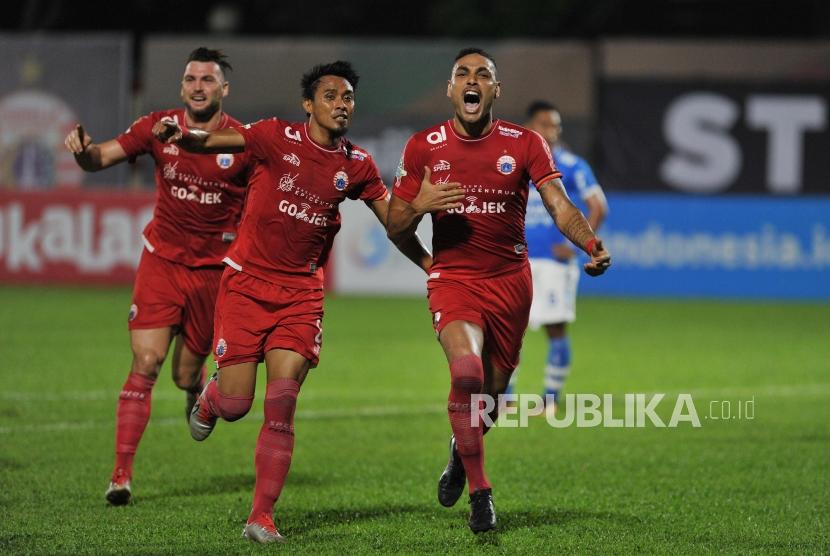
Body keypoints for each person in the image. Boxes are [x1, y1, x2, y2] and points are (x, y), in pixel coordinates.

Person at [152, 60, 432, 544]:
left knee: (282, 404)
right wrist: (180, 135)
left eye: (347, 98)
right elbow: (214, 142)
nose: (341, 105)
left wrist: (427, 253)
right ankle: (212, 397)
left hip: (301, 294)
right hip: (246, 285)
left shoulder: (357, 165)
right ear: (309, 104)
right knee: (239, 403)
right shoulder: (273, 137)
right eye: (330, 96)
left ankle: (261, 516)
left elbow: (394, 225)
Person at [386, 48, 611, 533]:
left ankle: (457, 454)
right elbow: (396, 226)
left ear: (495, 90)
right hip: (456, 281)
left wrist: (590, 243)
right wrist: (421, 210)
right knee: (466, 373)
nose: (472, 80)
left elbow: (560, 205)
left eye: (482, 74)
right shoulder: (424, 146)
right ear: (451, 90)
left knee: (489, 395)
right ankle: (481, 493)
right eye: (462, 74)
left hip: (511, 283)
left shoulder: (526, 143)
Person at [64, 47, 252, 506]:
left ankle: (194, 386)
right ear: (181, 86)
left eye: (208, 80)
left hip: (212, 274)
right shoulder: (157, 127)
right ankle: (121, 475)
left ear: (224, 89)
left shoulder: (244, 142)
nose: (198, 87)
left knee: (185, 374)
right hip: (162, 264)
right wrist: (84, 154)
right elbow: (100, 158)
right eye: (191, 79)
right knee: (145, 363)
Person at [506, 100, 609, 415]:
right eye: (544, 124)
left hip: (553, 263)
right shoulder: (514, 164)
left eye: (556, 126)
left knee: (555, 328)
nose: (551, 131)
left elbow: (598, 206)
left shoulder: (573, 165)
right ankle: (505, 398)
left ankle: (550, 399)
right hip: (517, 259)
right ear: (529, 127)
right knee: (508, 330)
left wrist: (579, 245)